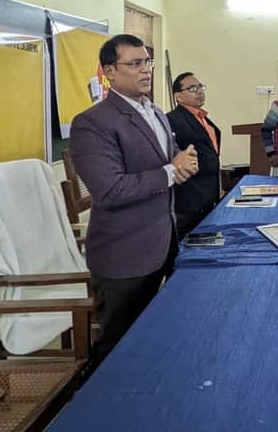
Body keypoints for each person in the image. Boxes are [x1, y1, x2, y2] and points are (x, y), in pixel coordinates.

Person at [69, 34, 198, 370]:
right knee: (118, 344)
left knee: (154, 335)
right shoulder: (93, 123)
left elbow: (168, 161)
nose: (146, 70)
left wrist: (183, 162)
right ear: (109, 71)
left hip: (163, 242)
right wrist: (171, 171)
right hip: (124, 252)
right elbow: (110, 190)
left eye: (148, 62)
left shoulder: (155, 112)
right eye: (135, 63)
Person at [167, 72, 221, 241]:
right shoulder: (172, 120)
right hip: (188, 202)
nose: (199, 91)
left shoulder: (204, 119)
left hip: (208, 198)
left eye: (200, 87)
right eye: (192, 88)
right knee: (185, 249)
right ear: (178, 96)